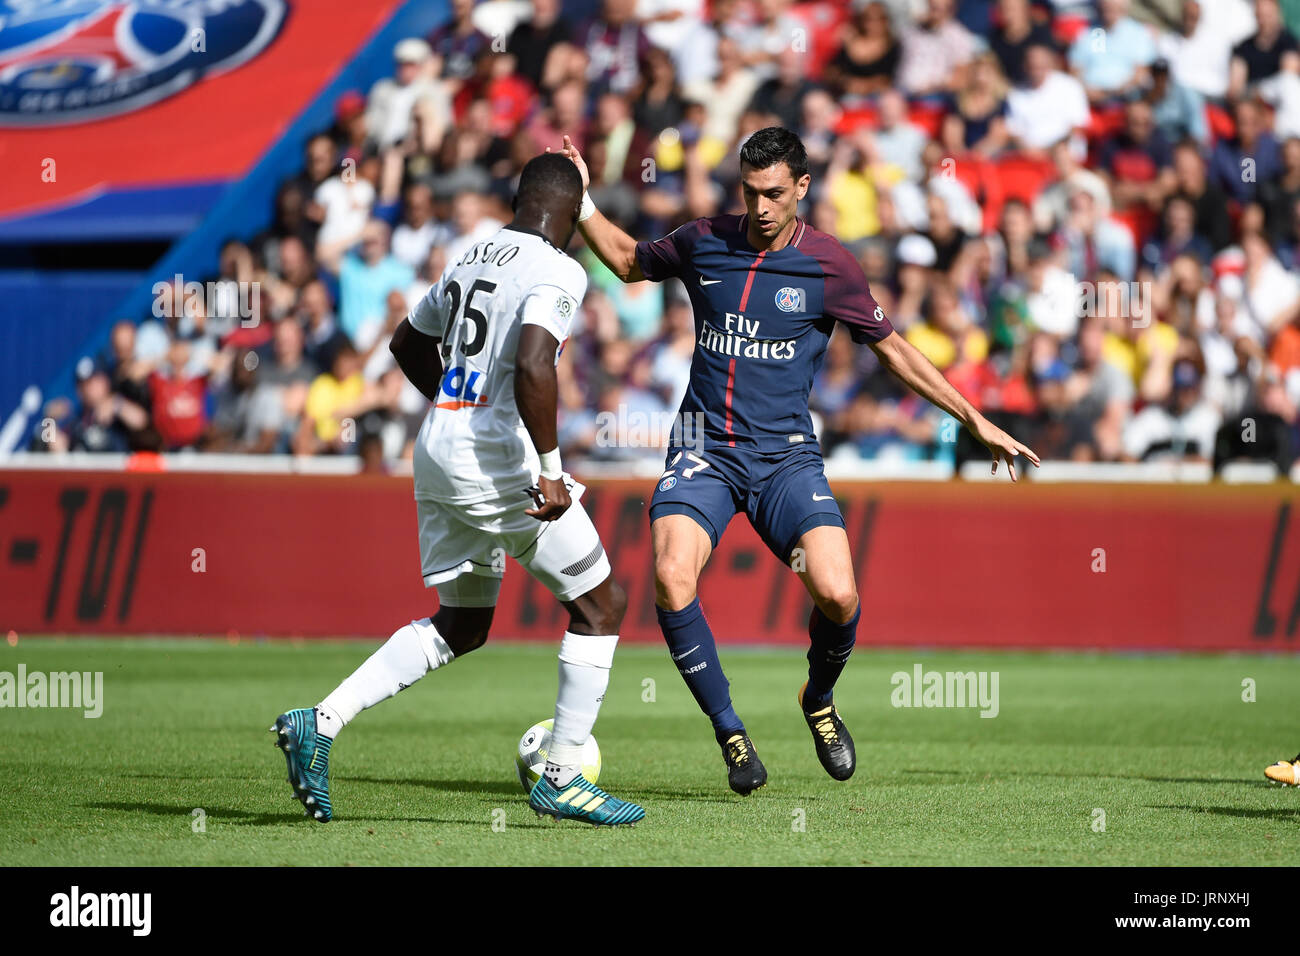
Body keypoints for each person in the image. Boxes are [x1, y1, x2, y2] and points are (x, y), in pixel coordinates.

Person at [556, 126, 1038, 793]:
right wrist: (581, 203)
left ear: (802, 188)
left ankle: (818, 699)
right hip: (704, 450)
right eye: (751, 192)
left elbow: (893, 350)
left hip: (785, 459)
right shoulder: (704, 241)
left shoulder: (830, 266)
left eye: (774, 194)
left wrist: (975, 419)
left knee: (838, 594)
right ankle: (730, 732)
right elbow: (630, 259)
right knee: (671, 577)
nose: (760, 207)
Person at [271, 152, 645, 827]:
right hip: (502, 462)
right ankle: (561, 776)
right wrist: (553, 468)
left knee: (463, 623)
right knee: (601, 605)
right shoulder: (558, 268)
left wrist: (455, 404)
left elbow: (408, 344)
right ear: (566, 210)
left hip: (439, 449)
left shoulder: (473, 255)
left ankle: (319, 722)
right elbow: (536, 363)